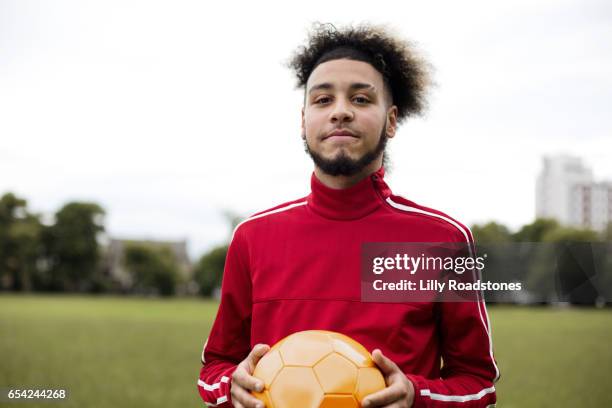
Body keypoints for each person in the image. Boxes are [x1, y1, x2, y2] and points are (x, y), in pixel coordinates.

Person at [197, 23, 499, 408]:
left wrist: (416, 395)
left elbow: (479, 384)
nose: (340, 112)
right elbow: (214, 369)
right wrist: (229, 387)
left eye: (360, 99)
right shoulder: (252, 237)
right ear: (303, 121)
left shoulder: (443, 238)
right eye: (323, 100)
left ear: (391, 120)